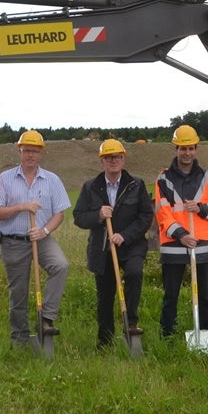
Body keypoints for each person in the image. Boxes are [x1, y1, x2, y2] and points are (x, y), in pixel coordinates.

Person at [0, 130, 70, 346]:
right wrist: (22, 207)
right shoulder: (5, 179)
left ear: (41, 153)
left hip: (41, 239)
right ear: (20, 151)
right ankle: (20, 339)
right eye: (26, 151)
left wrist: (44, 231)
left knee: (60, 265)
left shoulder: (52, 180)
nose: (30, 155)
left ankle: (46, 319)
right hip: (13, 241)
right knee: (19, 293)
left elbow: (59, 214)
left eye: (34, 151)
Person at [72, 139, 154, 349]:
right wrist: (98, 215)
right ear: (102, 161)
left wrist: (124, 236)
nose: (113, 161)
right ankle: (105, 341)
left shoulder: (136, 184)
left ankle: (131, 323)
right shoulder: (91, 186)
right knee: (105, 296)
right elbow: (79, 217)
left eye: (117, 157)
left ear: (123, 159)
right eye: (109, 157)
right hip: (102, 248)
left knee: (134, 274)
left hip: (131, 245)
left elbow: (145, 216)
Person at [154, 125, 208, 340]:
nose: (187, 153)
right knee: (171, 294)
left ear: (196, 149)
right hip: (174, 243)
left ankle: (203, 332)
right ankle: (167, 336)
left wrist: (202, 208)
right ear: (176, 149)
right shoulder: (164, 178)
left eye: (191, 148)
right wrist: (181, 235)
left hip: (202, 242)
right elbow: (162, 211)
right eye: (182, 148)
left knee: (204, 294)